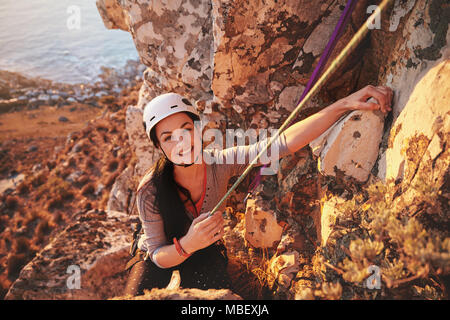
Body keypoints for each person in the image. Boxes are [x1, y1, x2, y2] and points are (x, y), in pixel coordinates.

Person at [123, 85, 393, 296]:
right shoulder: (151, 190)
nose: (181, 142)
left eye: (186, 129)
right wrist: (189, 243)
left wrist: (345, 104)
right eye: (168, 138)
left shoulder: (220, 163)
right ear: (159, 147)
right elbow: (158, 255)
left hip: (203, 248)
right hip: (162, 254)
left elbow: (283, 143)